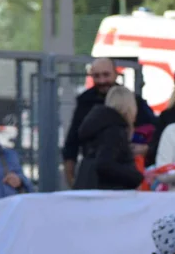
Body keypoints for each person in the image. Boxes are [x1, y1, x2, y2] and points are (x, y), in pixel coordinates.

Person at [62, 57, 156, 188]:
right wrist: (136, 177)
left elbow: (154, 130)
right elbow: (73, 144)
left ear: (116, 74)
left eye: (106, 75)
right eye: (97, 76)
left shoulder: (94, 112)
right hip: (111, 184)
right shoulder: (112, 127)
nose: (102, 80)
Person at [74, 85, 145, 190]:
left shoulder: (97, 126)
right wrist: (136, 176)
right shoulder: (114, 130)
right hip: (108, 193)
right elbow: (105, 164)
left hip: (89, 188)